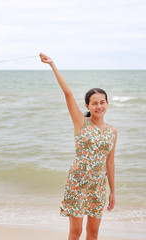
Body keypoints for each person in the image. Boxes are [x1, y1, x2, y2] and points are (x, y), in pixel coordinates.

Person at [40, 53, 117, 240]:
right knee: (76, 233)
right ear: (88, 106)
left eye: (102, 102)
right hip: (78, 182)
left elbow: (110, 162)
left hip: (98, 186)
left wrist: (112, 191)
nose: (99, 106)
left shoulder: (113, 131)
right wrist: (52, 65)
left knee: (93, 234)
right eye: (94, 103)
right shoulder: (80, 122)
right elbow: (67, 93)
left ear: (107, 103)